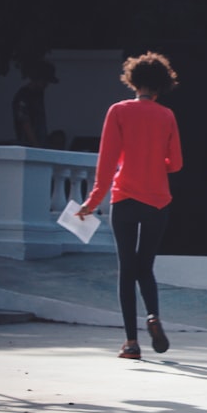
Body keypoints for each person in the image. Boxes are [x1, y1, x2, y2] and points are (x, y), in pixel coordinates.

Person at [77, 52, 183, 360]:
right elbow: (175, 163)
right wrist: (155, 159)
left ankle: (131, 343)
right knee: (145, 267)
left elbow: (107, 163)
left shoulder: (118, 111)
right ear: (162, 85)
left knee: (127, 270)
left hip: (124, 199)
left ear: (133, 81)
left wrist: (91, 202)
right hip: (157, 201)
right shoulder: (167, 116)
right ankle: (153, 316)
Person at [12, 60, 59, 147]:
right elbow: (25, 123)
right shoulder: (23, 96)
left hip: (39, 145)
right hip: (28, 147)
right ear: (37, 78)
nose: (46, 84)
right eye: (45, 81)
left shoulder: (38, 94)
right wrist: (36, 145)